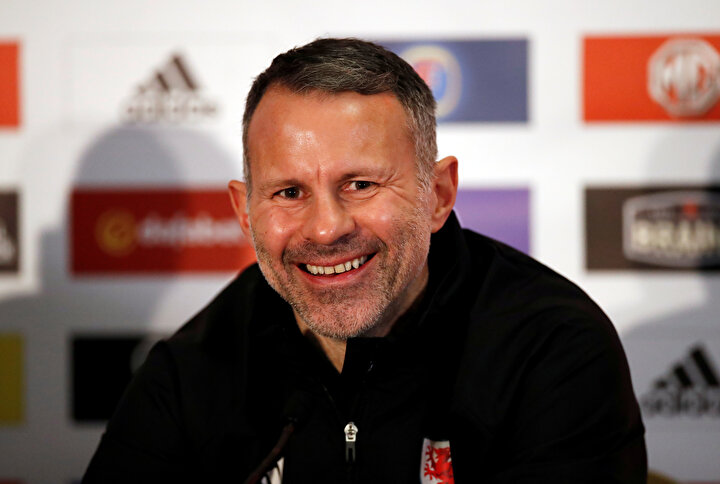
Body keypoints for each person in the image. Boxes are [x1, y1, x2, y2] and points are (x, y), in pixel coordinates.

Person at [83, 38, 647, 483]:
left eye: (360, 184)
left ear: (438, 195)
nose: (326, 228)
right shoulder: (191, 369)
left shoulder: (552, 348)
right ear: (244, 212)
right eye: (289, 193)